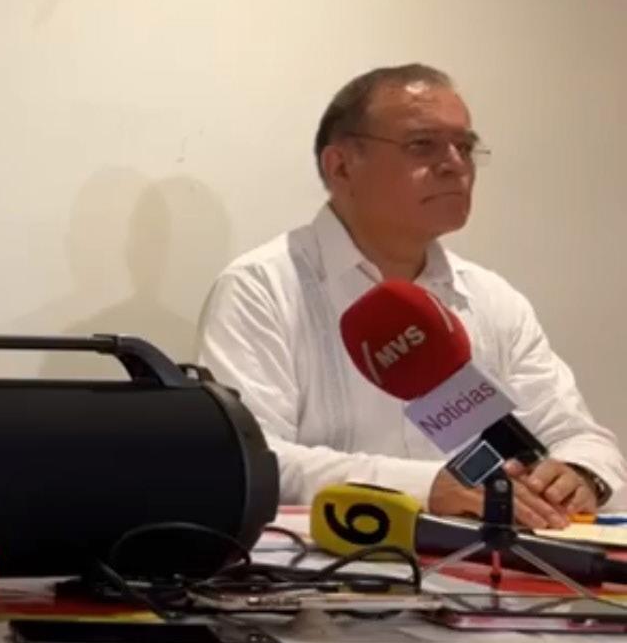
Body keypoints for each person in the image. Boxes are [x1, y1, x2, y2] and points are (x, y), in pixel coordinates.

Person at [197, 64, 624, 528]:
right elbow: (253, 460)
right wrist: (426, 488)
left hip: (493, 564)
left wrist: (580, 474)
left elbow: (579, 436)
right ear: (341, 166)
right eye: (422, 145)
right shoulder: (261, 287)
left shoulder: (491, 299)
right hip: (329, 564)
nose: (455, 164)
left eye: (464, 146)